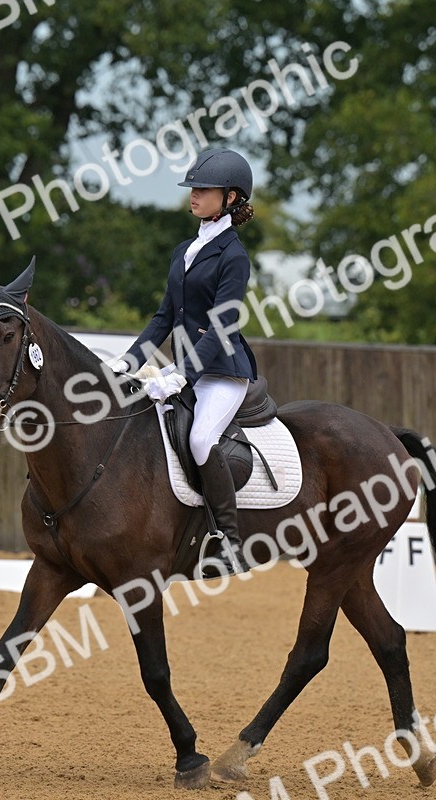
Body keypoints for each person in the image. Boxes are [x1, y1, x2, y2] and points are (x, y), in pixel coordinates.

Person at [110, 148, 259, 576]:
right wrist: (128, 362)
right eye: (193, 188)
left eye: (204, 190)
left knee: (199, 440)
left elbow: (223, 324)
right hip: (186, 371)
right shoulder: (184, 251)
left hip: (222, 373)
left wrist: (183, 375)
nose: (193, 195)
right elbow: (163, 318)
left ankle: (230, 542)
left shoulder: (234, 256)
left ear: (231, 197)